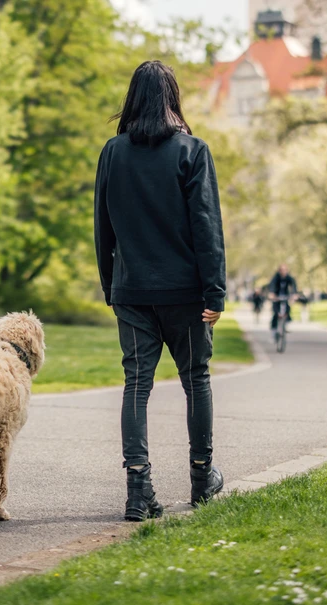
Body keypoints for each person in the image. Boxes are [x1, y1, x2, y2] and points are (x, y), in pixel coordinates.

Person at [94, 60, 226, 522]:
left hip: (132, 291)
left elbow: (102, 227)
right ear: (172, 98)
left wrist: (112, 288)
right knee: (197, 380)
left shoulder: (112, 152)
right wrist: (215, 293)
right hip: (185, 293)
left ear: (132, 98)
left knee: (136, 385)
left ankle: (138, 488)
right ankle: (201, 477)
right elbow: (206, 227)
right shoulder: (192, 151)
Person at [265, 264, 298, 338]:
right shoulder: (276, 277)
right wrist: (271, 293)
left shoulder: (289, 278)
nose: (283, 271)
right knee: (276, 313)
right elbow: (272, 285)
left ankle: (284, 324)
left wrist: (294, 294)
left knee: (287, 309)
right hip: (276, 297)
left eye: (285, 270)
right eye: (282, 270)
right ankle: (274, 331)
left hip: (285, 296)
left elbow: (293, 286)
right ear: (279, 270)